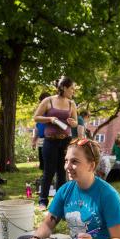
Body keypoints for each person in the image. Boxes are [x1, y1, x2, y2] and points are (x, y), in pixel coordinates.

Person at [8, 139, 120, 239]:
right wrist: (36, 238)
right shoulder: (65, 190)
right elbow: (48, 224)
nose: (67, 167)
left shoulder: (108, 195)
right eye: (66, 161)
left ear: (91, 165)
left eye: (75, 161)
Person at [34, 77, 81, 208]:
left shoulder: (72, 104)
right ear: (64, 88)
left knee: (62, 171)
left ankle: (60, 201)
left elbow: (76, 122)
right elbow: (36, 117)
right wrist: (50, 119)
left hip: (65, 141)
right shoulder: (48, 101)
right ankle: (43, 201)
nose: (73, 91)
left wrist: (73, 123)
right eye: (71, 88)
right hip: (50, 141)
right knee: (48, 171)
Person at [31, 92, 51, 172]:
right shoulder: (40, 114)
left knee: (50, 163)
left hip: (50, 140)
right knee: (43, 164)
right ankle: (45, 179)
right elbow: (37, 128)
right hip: (41, 141)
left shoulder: (52, 113)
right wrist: (34, 141)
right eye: (41, 101)